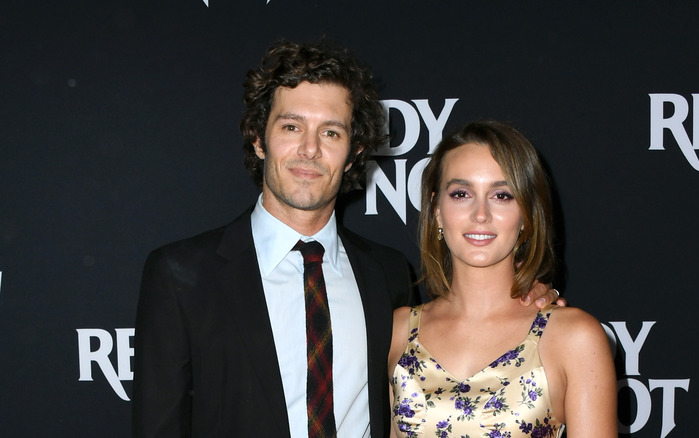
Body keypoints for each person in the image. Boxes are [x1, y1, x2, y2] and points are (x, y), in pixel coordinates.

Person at [132, 39, 562, 438]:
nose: (310, 149)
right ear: (258, 139)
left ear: (356, 151)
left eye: (332, 132)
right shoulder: (182, 275)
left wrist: (530, 298)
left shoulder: (387, 273)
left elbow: (466, 329)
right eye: (291, 127)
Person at [388, 121, 616, 437]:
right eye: (461, 193)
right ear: (437, 210)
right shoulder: (397, 333)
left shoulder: (573, 338)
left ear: (526, 214)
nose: (480, 213)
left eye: (502, 195)